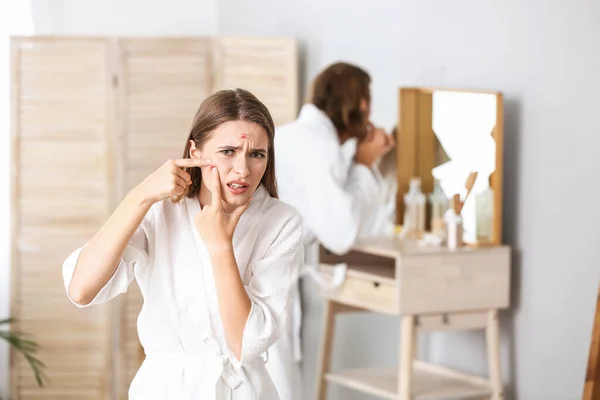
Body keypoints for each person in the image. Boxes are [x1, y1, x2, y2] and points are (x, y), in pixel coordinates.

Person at [62, 89, 304, 400]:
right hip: (164, 389)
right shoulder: (160, 210)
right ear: (196, 151)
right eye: (228, 151)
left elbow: (245, 343)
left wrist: (220, 245)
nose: (242, 170)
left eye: (257, 154)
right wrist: (141, 195)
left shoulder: (282, 222)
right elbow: (81, 290)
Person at [266, 62, 394, 399]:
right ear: (362, 106)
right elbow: (342, 234)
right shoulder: (318, 151)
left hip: (258, 273)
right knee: (275, 386)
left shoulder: (293, 135)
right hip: (264, 282)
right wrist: (365, 166)